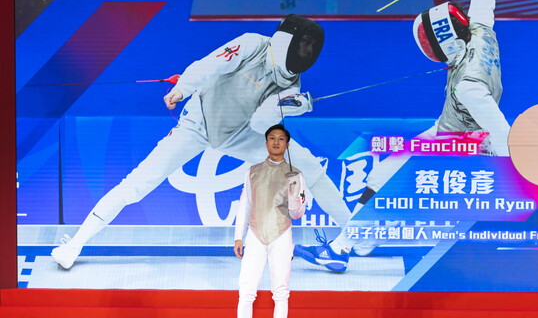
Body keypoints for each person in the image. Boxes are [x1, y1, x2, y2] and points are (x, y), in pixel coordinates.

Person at [51, 14, 352, 269]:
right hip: (198, 122)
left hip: (242, 134)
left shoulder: (291, 84)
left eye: (312, 47)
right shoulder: (252, 44)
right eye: (304, 43)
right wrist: (181, 89)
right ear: (288, 40)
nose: (307, 50)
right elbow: (210, 65)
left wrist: (290, 105)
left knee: (307, 166)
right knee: (139, 182)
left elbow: (261, 123)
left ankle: (352, 235)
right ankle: (75, 245)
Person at [294, 0, 511, 272]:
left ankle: (342, 248)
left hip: (461, 142)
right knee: (386, 171)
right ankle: (357, 240)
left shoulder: (469, 86)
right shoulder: (481, 30)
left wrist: (509, 165)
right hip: (454, 131)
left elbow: (498, 129)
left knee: (390, 178)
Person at [230, 123, 304, 318]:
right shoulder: (252, 171)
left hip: (281, 235)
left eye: (280, 139)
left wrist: (295, 195)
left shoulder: (295, 174)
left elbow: (297, 214)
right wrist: (238, 235)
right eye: (272, 138)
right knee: (246, 291)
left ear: (287, 144)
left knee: (280, 292)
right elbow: (245, 204)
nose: (276, 142)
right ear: (266, 142)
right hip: (255, 235)